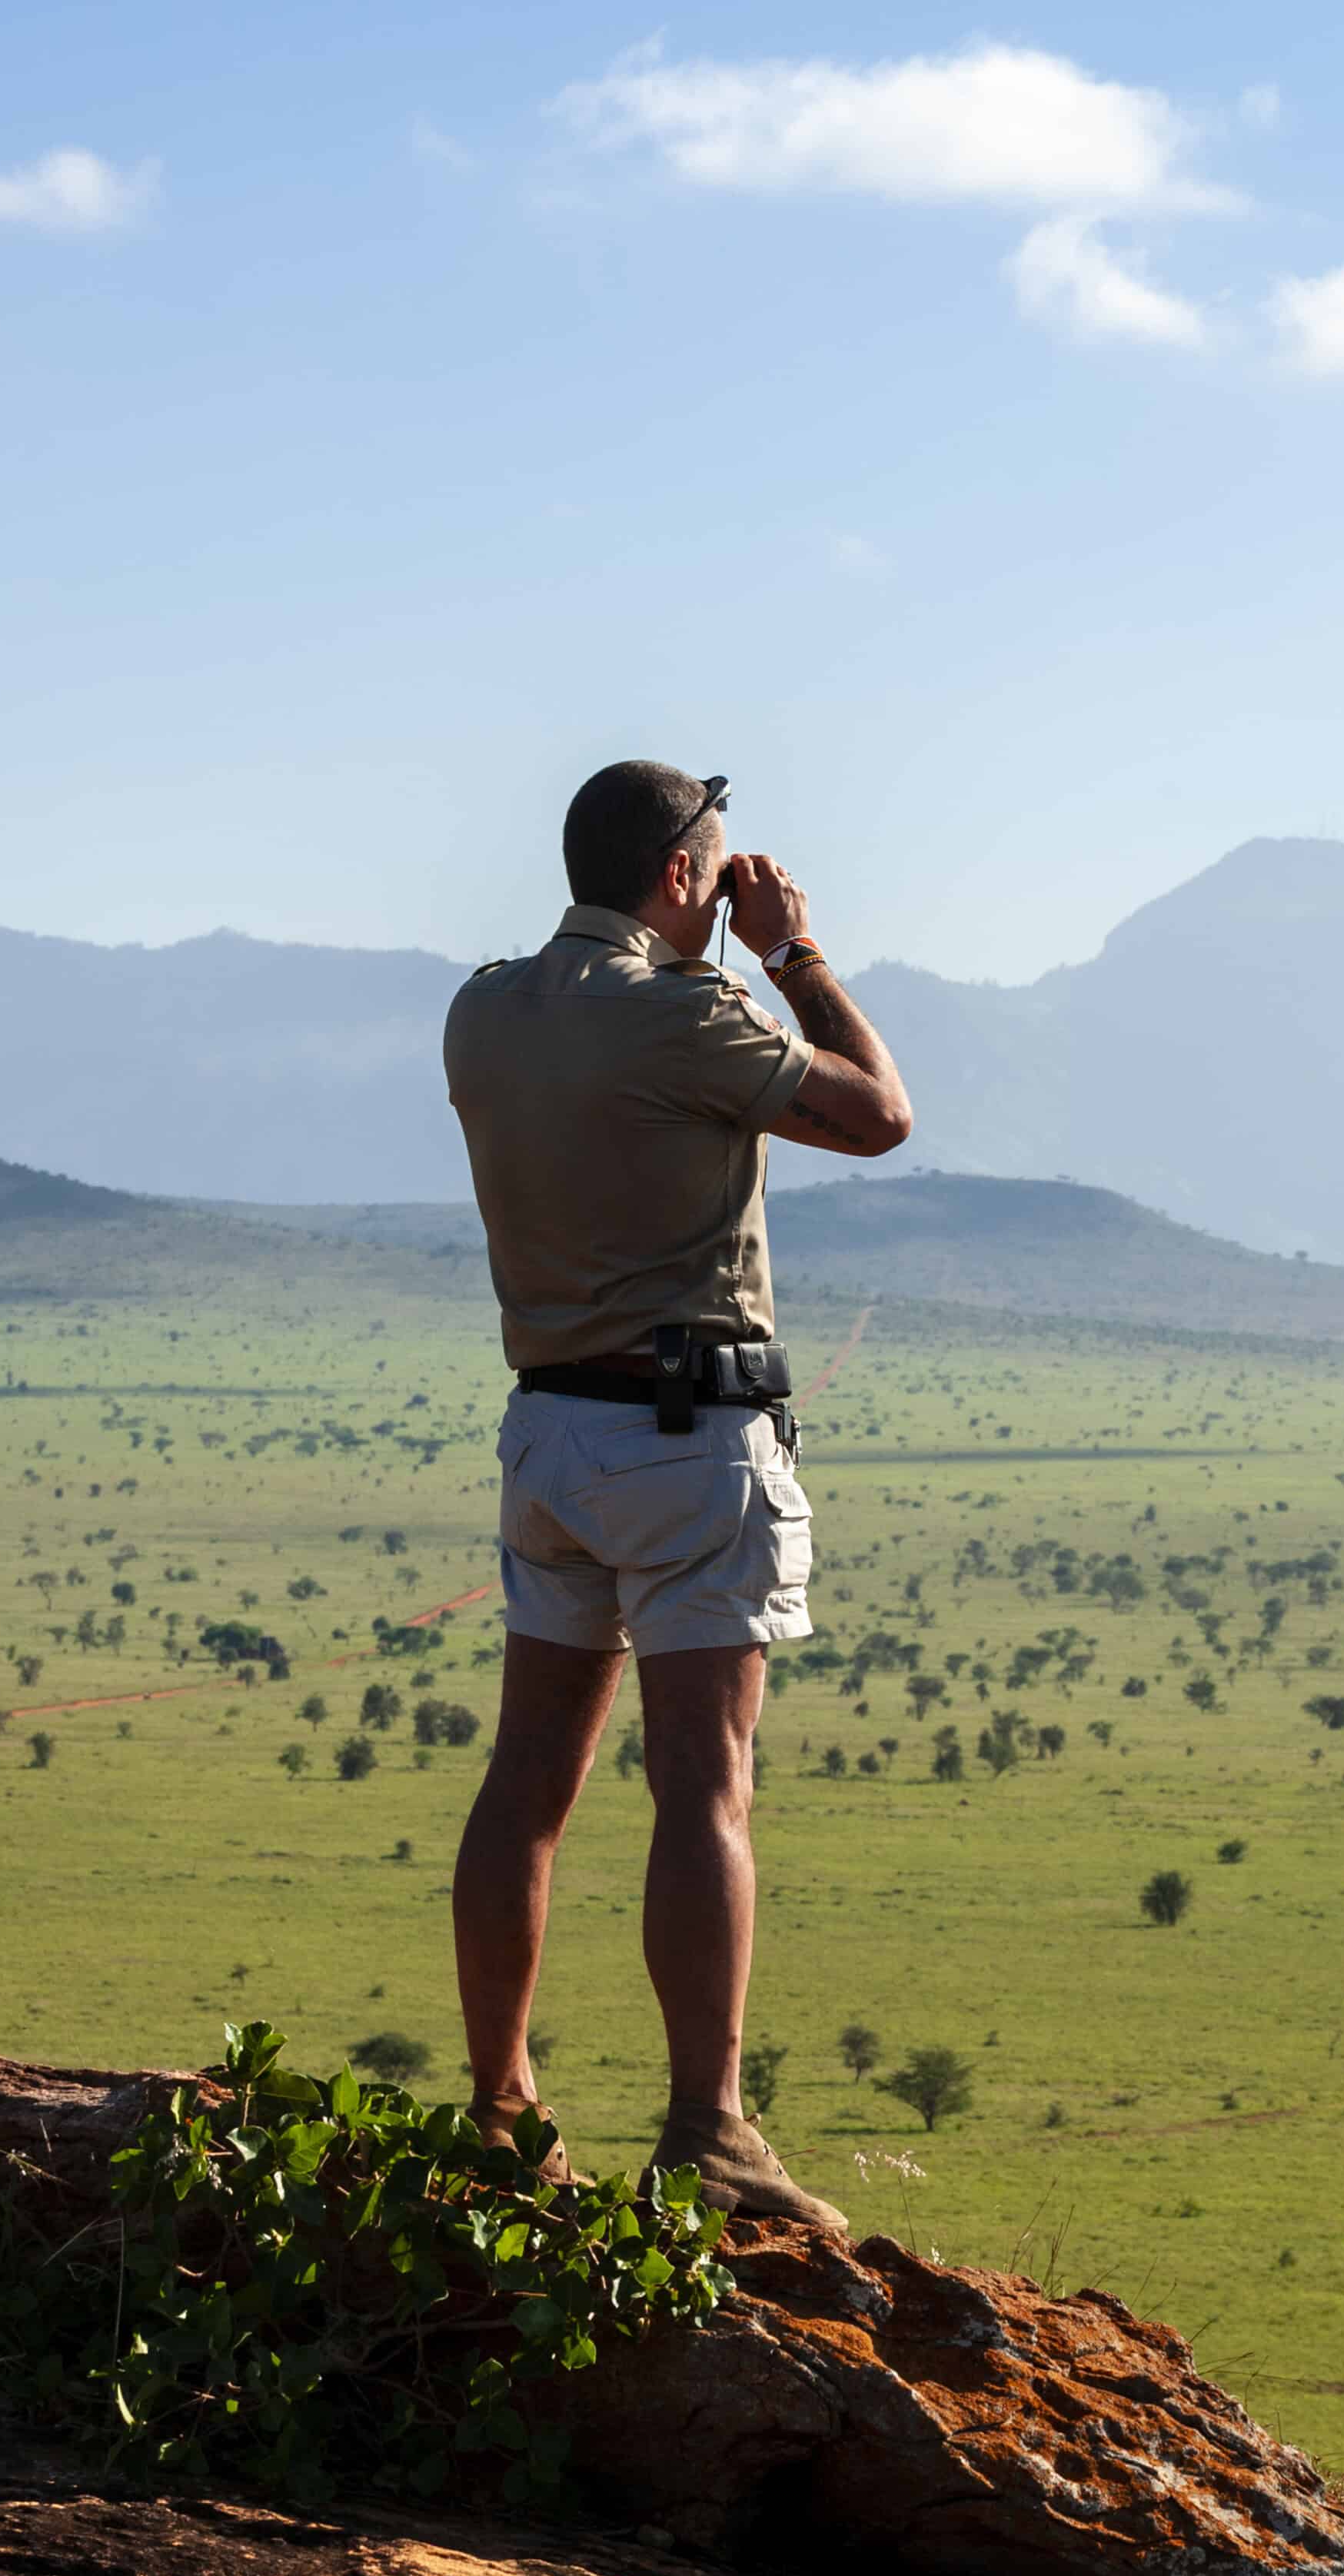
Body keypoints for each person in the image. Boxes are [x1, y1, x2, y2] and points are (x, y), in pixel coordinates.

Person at [441, 760, 910, 2229]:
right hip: (685, 1441)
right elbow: (879, 1115)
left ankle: (502, 2108)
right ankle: (708, 2128)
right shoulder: (688, 1014)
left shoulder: (487, 1010)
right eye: (719, 866)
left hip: (548, 1442)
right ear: (685, 876)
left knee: (528, 1788)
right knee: (704, 1785)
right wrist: (793, 956)